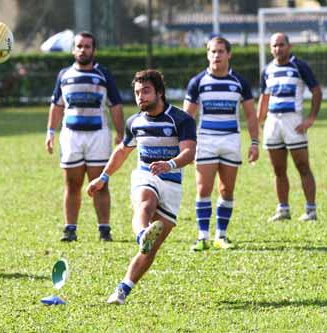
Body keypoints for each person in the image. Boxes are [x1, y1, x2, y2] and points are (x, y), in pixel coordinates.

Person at [87, 70, 196, 305]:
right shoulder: (134, 122)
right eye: (137, 92)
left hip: (172, 184)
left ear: (159, 92)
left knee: (151, 250)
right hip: (145, 177)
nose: (140, 97)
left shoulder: (181, 119)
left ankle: (123, 288)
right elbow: (122, 151)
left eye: (145, 91)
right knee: (145, 204)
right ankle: (141, 235)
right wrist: (103, 177)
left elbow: (189, 152)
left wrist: (170, 164)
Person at [45, 31, 124, 242]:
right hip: (71, 136)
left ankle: (104, 229)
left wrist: (121, 133)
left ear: (94, 50)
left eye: (87, 46)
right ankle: (70, 229)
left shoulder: (103, 74)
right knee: (72, 183)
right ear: (73, 50)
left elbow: (115, 105)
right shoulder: (64, 75)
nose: (83, 50)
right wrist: (50, 132)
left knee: (100, 183)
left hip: (98, 136)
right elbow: (57, 105)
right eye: (79, 46)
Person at [184, 36, 259, 251]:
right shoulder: (197, 82)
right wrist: (186, 146)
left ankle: (221, 236)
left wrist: (254, 143)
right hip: (205, 140)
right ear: (208, 54)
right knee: (203, 188)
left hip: (231, 140)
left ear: (229, 54)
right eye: (212, 51)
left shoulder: (239, 83)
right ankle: (202, 237)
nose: (216, 55)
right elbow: (188, 116)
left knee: (226, 189)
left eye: (220, 51)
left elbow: (251, 116)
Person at [258, 33, 322, 222]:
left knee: (303, 166)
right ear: (270, 48)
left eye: (281, 45)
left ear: (289, 46)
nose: (278, 49)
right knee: (278, 169)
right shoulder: (267, 70)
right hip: (273, 123)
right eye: (274, 46)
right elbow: (264, 97)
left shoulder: (299, 66)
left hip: (293, 123)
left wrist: (310, 119)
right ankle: (283, 209)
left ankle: (311, 210)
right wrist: (259, 121)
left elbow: (317, 91)